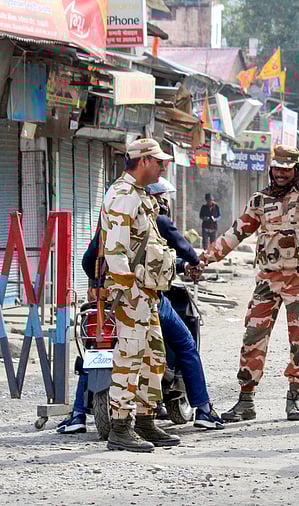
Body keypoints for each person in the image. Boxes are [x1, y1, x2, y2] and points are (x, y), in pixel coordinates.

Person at [197, 145, 299, 422]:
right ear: (271, 169)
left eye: (287, 169)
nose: (281, 173)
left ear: (295, 170)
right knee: (252, 337)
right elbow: (236, 233)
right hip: (267, 280)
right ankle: (246, 401)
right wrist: (205, 258)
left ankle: (294, 399)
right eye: (277, 168)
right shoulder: (260, 201)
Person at [59, 182, 227, 435]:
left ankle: (77, 414)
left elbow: (87, 261)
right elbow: (173, 252)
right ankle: (203, 409)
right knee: (184, 345)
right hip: (144, 298)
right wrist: (193, 262)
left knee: (97, 349)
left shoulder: (110, 221)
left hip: (106, 299)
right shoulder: (154, 219)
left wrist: (103, 282)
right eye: (161, 197)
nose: (162, 202)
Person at [101, 138, 178, 452]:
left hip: (147, 292)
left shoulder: (140, 195)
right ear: (144, 160)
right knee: (129, 356)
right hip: (132, 292)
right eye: (159, 161)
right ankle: (120, 426)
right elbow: (115, 251)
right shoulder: (122, 195)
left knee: (154, 356)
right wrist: (130, 291)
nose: (163, 166)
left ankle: (146, 421)